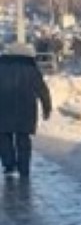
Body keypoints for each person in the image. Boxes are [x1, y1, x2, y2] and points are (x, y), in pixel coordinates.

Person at [0, 43, 53, 179]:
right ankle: (24, 168)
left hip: (3, 109)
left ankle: (9, 165)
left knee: (4, 138)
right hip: (26, 110)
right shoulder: (31, 69)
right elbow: (42, 90)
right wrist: (47, 108)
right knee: (23, 139)